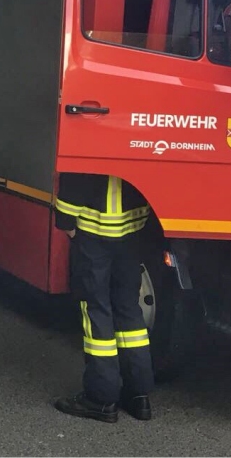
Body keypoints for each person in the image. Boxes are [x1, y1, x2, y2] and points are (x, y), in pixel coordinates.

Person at [53, 173, 154, 423]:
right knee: (129, 311)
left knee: (96, 311)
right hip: (132, 230)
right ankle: (138, 395)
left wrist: (66, 221)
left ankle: (101, 399)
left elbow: (78, 167)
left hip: (93, 234)